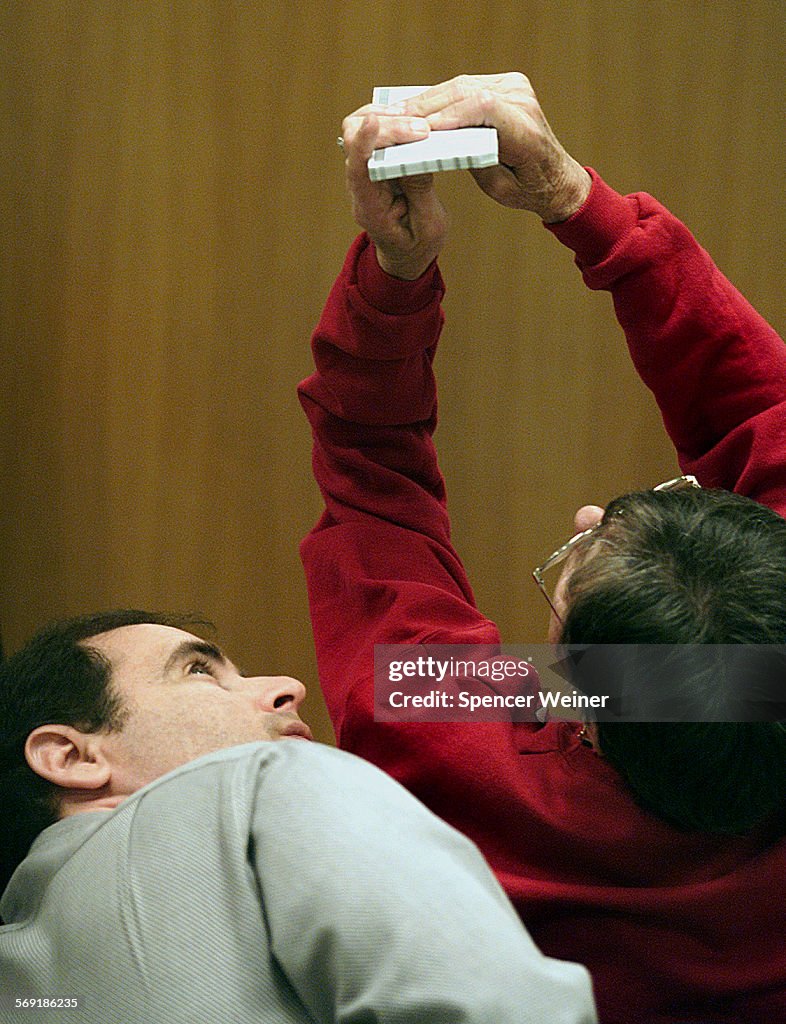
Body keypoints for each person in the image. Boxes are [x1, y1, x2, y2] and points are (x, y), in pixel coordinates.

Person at [298, 73, 786, 1023]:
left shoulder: (460, 753)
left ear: (590, 707)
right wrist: (571, 195)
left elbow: (374, 501)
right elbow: (759, 410)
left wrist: (396, 274)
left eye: (571, 579)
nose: (582, 521)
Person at [0, 609, 597, 1022]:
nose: (288, 685)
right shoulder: (263, 780)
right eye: (200, 670)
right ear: (72, 756)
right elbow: (498, 1009)